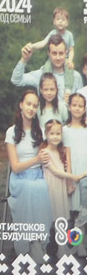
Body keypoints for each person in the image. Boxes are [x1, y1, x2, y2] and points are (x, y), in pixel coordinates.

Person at [5, 88, 52, 255]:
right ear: (21, 105)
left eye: (35, 106)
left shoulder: (38, 130)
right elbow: (15, 166)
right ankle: (30, 241)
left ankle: (38, 241)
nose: (31, 108)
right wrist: (36, 160)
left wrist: (45, 158)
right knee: (32, 189)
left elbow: (44, 155)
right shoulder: (12, 132)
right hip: (20, 177)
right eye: (28, 104)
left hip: (37, 174)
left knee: (41, 187)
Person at [41, 119, 80, 228]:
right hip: (51, 188)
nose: (55, 137)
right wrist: (72, 176)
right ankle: (48, 242)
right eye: (52, 133)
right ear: (46, 134)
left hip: (60, 187)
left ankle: (61, 243)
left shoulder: (59, 151)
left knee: (61, 216)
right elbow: (55, 172)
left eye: (58, 134)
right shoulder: (44, 152)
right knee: (53, 215)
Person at [12, 33, 83, 94]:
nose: (58, 58)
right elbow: (16, 80)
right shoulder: (40, 74)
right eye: (54, 53)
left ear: (66, 53)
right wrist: (24, 59)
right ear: (48, 53)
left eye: (61, 53)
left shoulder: (76, 77)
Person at [26, 7, 76, 72]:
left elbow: (71, 50)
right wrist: (32, 46)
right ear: (54, 22)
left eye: (63, 20)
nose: (60, 21)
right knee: (46, 69)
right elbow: (43, 43)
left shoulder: (69, 35)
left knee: (70, 68)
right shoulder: (52, 33)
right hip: (52, 60)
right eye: (58, 19)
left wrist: (70, 60)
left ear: (67, 23)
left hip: (64, 59)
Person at [63, 93, 87, 226]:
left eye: (80, 106)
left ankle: (83, 242)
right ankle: (76, 243)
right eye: (74, 105)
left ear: (84, 109)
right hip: (73, 174)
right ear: (69, 107)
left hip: (86, 171)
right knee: (75, 212)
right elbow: (67, 156)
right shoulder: (65, 130)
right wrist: (69, 180)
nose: (77, 108)